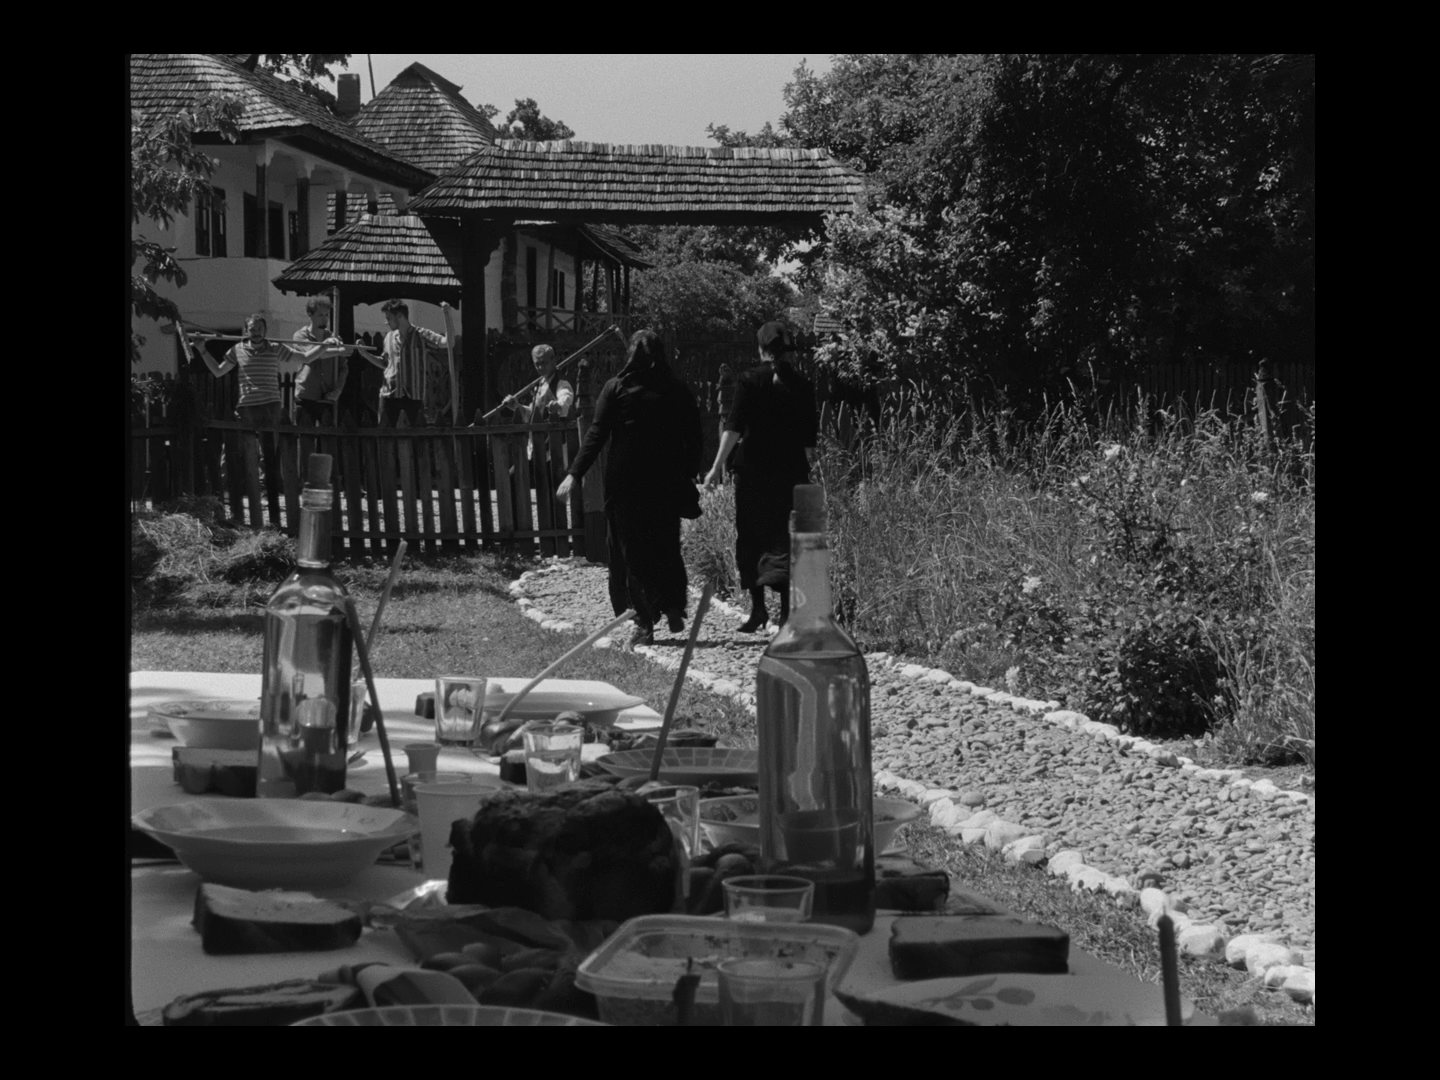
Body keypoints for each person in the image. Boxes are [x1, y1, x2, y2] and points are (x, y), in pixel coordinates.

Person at [557, 330, 703, 647]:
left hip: (627, 483)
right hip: (667, 481)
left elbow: (596, 434)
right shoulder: (677, 390)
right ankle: (673, 605)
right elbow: (694, 436)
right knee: (665, 545)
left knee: (631, 552)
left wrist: (574, 473)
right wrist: (690, 474)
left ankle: (644, 621)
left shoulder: (617, 388)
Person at [703, 321, 818, 633]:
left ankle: (757, 611)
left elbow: (734, 427)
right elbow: (810, 439)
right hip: (791, 474)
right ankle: (784, 615)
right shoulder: (803, 385)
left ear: (761, 348)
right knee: (785, 540)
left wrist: (716, 467)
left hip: (753, 472)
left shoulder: (750, 380)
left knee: (752, 537)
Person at [198, 313, 346, 490]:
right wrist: (202, 350)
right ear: (246, 331)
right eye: (252, 329)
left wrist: (323, 346)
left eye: (260, 329)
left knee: (267, 451)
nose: (256, 333)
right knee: (233, 445)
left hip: (271, 406)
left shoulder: (275, 348)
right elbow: (218, 371)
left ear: (265, 331)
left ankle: (265, 488)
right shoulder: (237, 349)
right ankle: (225, 485)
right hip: (246, 406)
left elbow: (305, 357)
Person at [363, 299, 449, 428]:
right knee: (386, 436)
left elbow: (447, 342)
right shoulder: (389, 337)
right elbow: (385, 364)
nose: (386, 322)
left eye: (389, 318)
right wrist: (365, 354)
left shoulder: (420, 334)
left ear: (400, 316)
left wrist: (447, 316)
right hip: (390, 395)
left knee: (414, 438)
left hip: (413, 396)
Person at [291, 296, 348, 426]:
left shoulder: (335, 338)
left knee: (328, 442)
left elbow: (343, 367)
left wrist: (338, 390)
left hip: (328, 396)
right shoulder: (300, 336)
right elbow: (314, 355)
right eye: (320, 314)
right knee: (306, 440)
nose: (325, 318)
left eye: (327, 315)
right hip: (306, 395)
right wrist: (338, 351)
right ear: (310, 314)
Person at [503, 344, 574, 421]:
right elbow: (533, 414)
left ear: (554, 360)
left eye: (544, 363)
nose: (540, 367)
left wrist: (559, 405)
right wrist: (516, 407)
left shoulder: (561, 382)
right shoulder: (541, 383)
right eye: (537, 364)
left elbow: (566, 397)